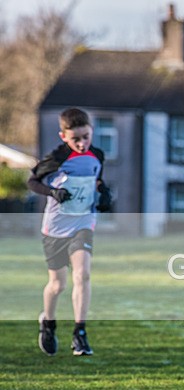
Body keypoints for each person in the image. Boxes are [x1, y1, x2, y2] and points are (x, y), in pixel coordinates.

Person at [27, 107, 112, 356]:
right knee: (57, 285)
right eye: (76, 138)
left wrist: (104, 193)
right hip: (55, 227)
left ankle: (80, 334)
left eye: (86, 136)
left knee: (83, 274)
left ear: (91, 132)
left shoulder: (97, 155)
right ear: (63, 136)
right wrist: (52, 192)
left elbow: (97, 180)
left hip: (83, 223)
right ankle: (48, 323)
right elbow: (32, 182)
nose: (82, 143)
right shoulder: (56, 158)